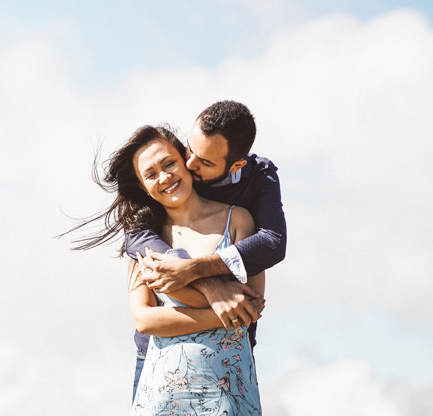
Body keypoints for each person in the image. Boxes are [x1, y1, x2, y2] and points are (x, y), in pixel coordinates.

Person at [70, 124, 265, 414]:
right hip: (163, 392)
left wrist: (232, 310)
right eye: (150, 174)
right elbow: (145, 319)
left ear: (186, 160)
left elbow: (250, 304)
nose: (164, 177)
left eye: (169, 163)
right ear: (142, 186)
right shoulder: (145, 239)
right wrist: (224, 314)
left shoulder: (237, 220)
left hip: (230, 390)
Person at [125, 101, 286, 397]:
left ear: (235, 165)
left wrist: (194, 269)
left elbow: (272, 243)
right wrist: (211, 287)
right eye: (189, 150)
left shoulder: (254, 182)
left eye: (205, 162)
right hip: (156, 364)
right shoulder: (167, 183)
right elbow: (135, 239)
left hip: (225, 364)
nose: (189, 165)